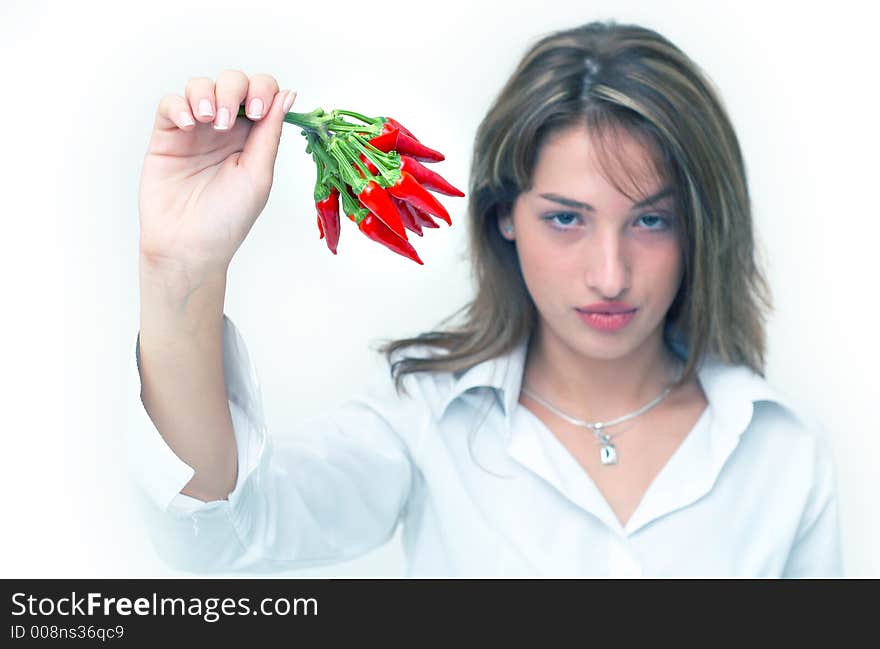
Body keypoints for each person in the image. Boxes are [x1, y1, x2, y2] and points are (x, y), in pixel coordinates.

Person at [129, 20, 843, 577]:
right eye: (566, 217)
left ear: (700, 226)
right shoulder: (425, 417)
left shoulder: (782, 453)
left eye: (651, 220)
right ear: (505, 215)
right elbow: (216, 529)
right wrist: (180, 270)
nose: (611, 274)